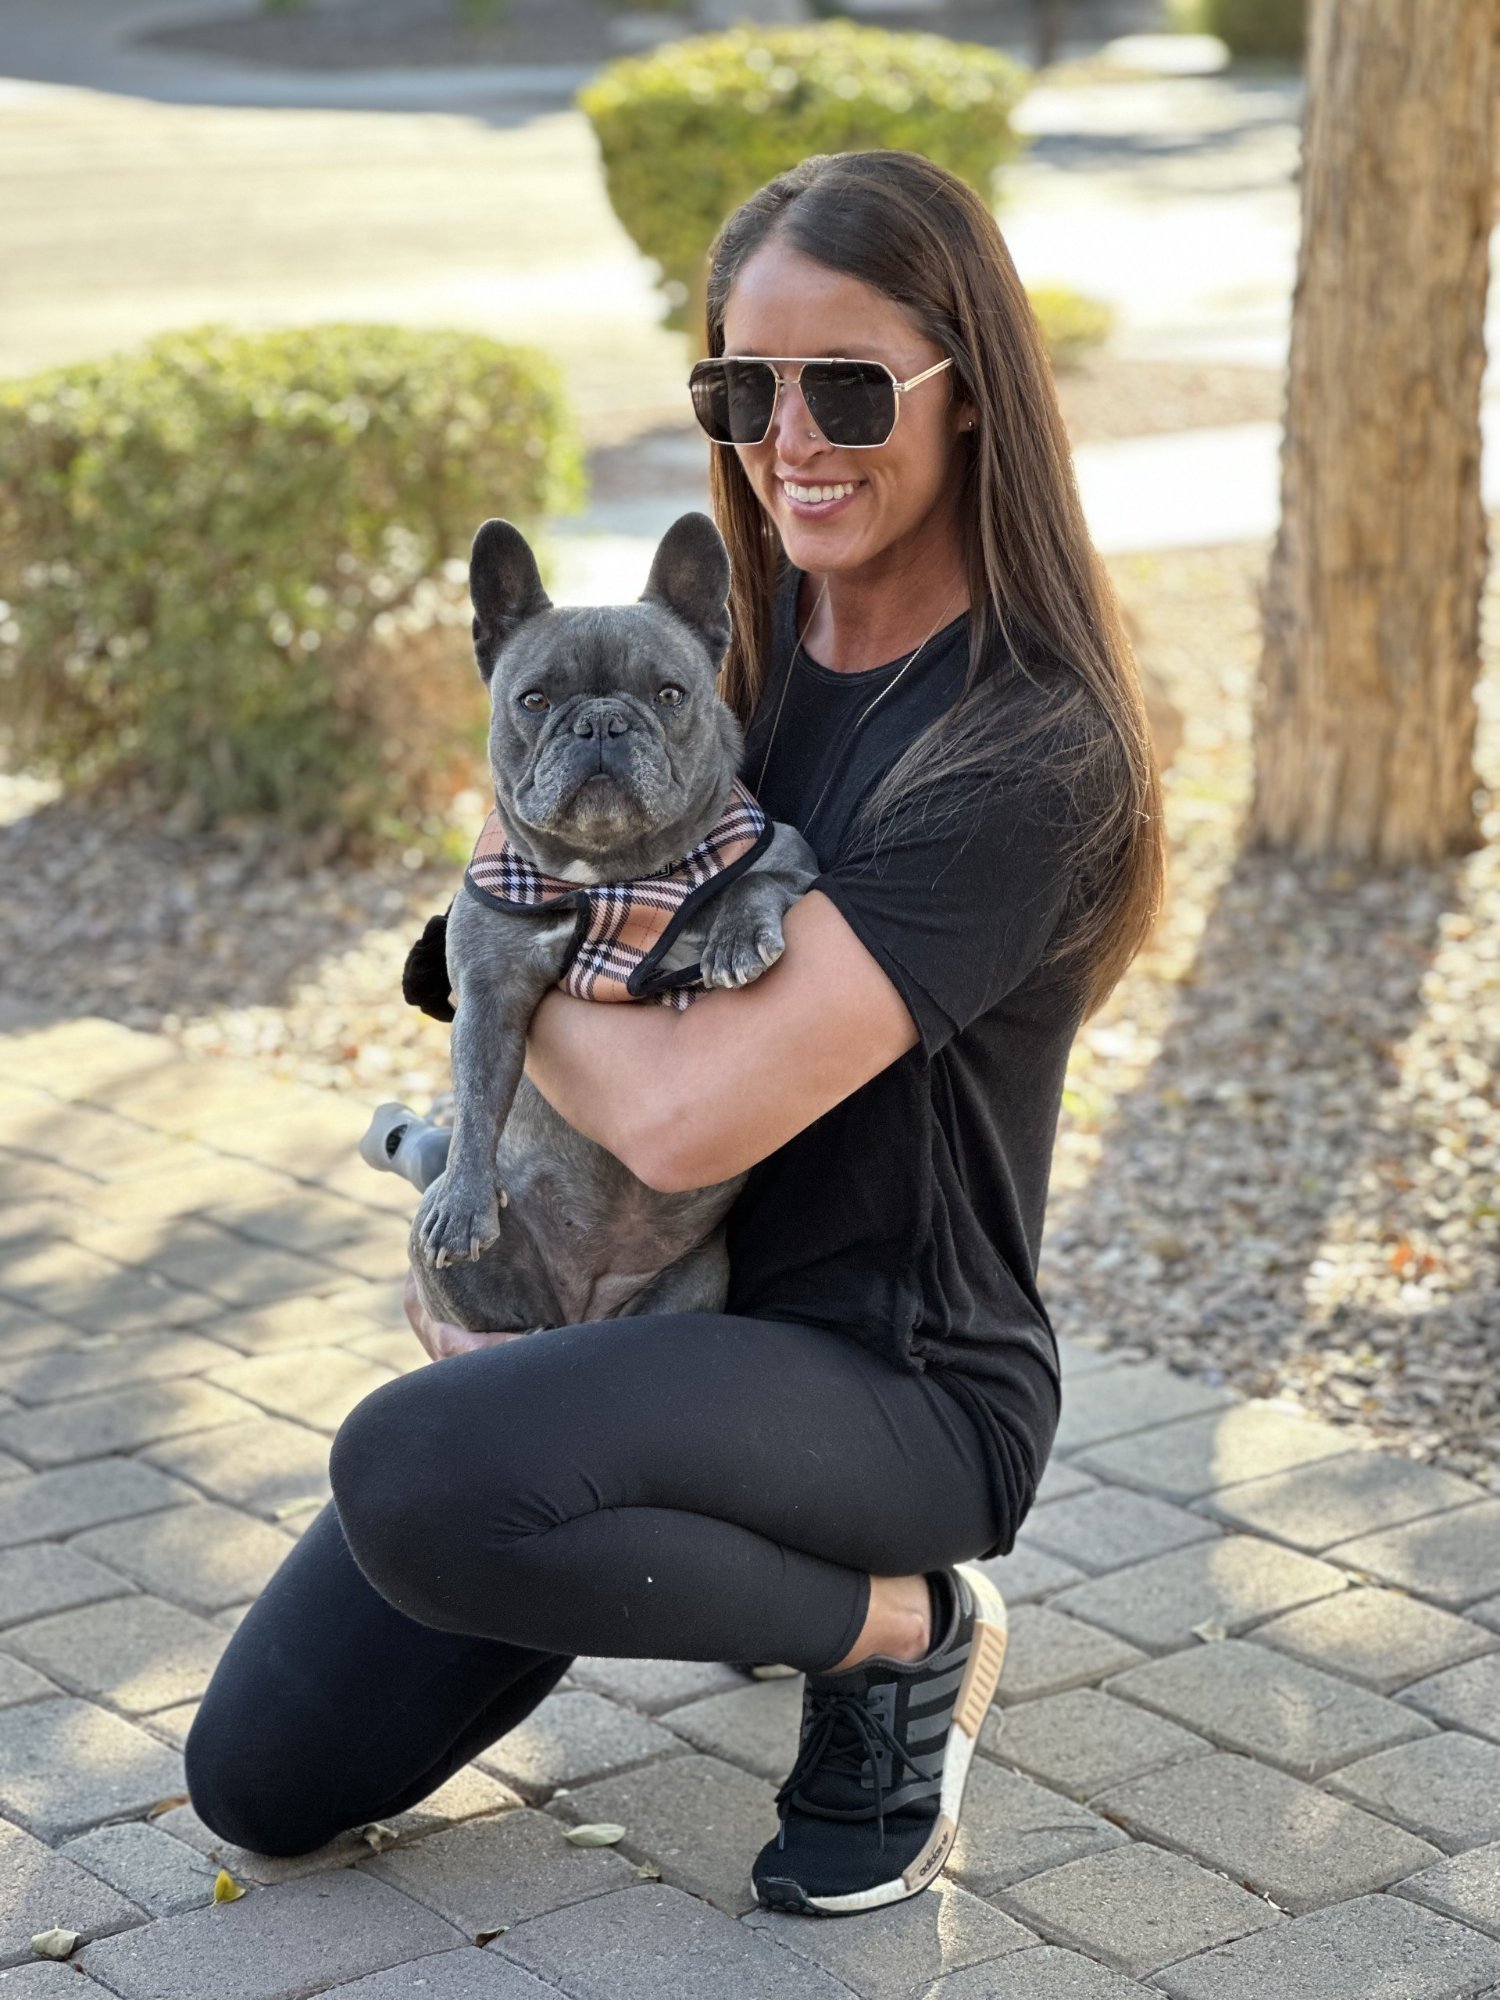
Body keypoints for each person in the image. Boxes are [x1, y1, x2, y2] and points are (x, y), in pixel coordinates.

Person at [184, 149, 1164, 1918]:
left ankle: (896, 1627)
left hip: (896, 1377)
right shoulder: (731, 648)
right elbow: (500, 925)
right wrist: (497, 965)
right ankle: (646, 1515)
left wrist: (500, 941)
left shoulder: (1026, 748)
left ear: (972, 394)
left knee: (418, 1469)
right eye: (743, 384)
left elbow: (685, 1121)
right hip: (656, 1317)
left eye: (850, 384)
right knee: (257, 1782)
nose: (793, 434)